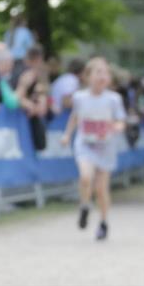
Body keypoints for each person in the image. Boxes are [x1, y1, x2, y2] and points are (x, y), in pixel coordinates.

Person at [61, 58, 127, 241]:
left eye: (105, 72)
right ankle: (84, 205)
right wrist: (67, 134)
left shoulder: (114, 99)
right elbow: (75, 117)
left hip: (105, 146)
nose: (102, 76)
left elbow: (120, 120)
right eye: (98, 72)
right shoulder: (80, 97)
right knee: (85, 176)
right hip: (85, 143)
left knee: (101, 188)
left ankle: (104, 222)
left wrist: (118, 127)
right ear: (87, 76)